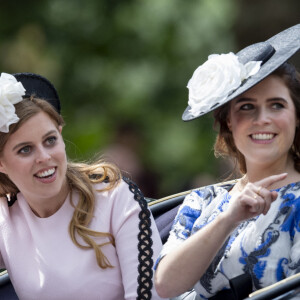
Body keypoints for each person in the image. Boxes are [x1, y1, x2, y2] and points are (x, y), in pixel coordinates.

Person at [154, 24, 300, 299]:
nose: (262, 119)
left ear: (296, 116)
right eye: (247, 107)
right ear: (228, 122)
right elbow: (164, 286)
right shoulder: (202, 201)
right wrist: (228, 218)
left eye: (277, 105)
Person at [0, 72, 163, 300]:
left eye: (50, 140)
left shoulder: (114, 196)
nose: (44, 157)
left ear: (60, 134)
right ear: (1, 163)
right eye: (25, 149)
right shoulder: (5, 218)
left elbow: (150, 296)